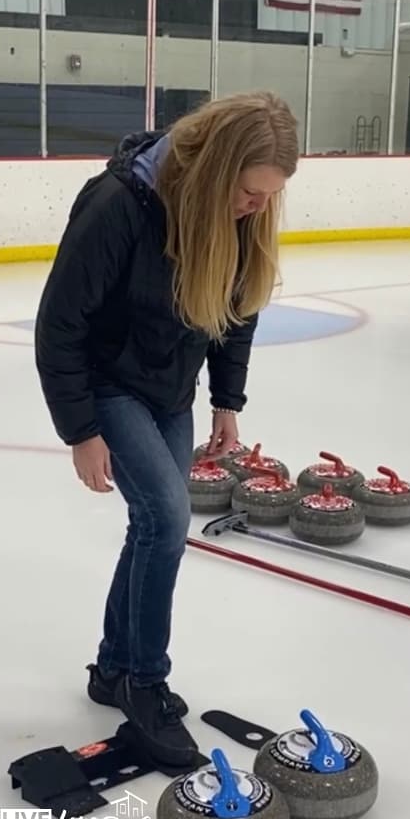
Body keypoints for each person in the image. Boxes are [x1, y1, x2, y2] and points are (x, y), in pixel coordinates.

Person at [34, 91, 299, 767]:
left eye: (269, 196)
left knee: (152, 524)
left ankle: (112, 668)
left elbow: (238, 309)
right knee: (166, 515)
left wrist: (227, 401)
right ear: (215, 171)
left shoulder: (237, 217)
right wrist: (81, 430)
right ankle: (146, 683)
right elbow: (60, 325)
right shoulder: (118, 204)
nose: (257, 207)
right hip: (108, 382)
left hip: (169, 390)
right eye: (248, 192)